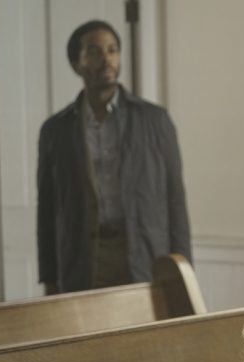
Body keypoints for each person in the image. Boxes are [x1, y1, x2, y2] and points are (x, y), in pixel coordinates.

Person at [37, 20, 192, 294]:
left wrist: (184, 268)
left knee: (144, 335)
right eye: (95, 51)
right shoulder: (56, 130)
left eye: (112, 50)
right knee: (87, 335)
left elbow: (175, 200)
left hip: (143, 253)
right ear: (77, 63)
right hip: (83, 258)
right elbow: (48, 209)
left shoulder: (154, 120)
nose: (106, 59)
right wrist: (49, 277)